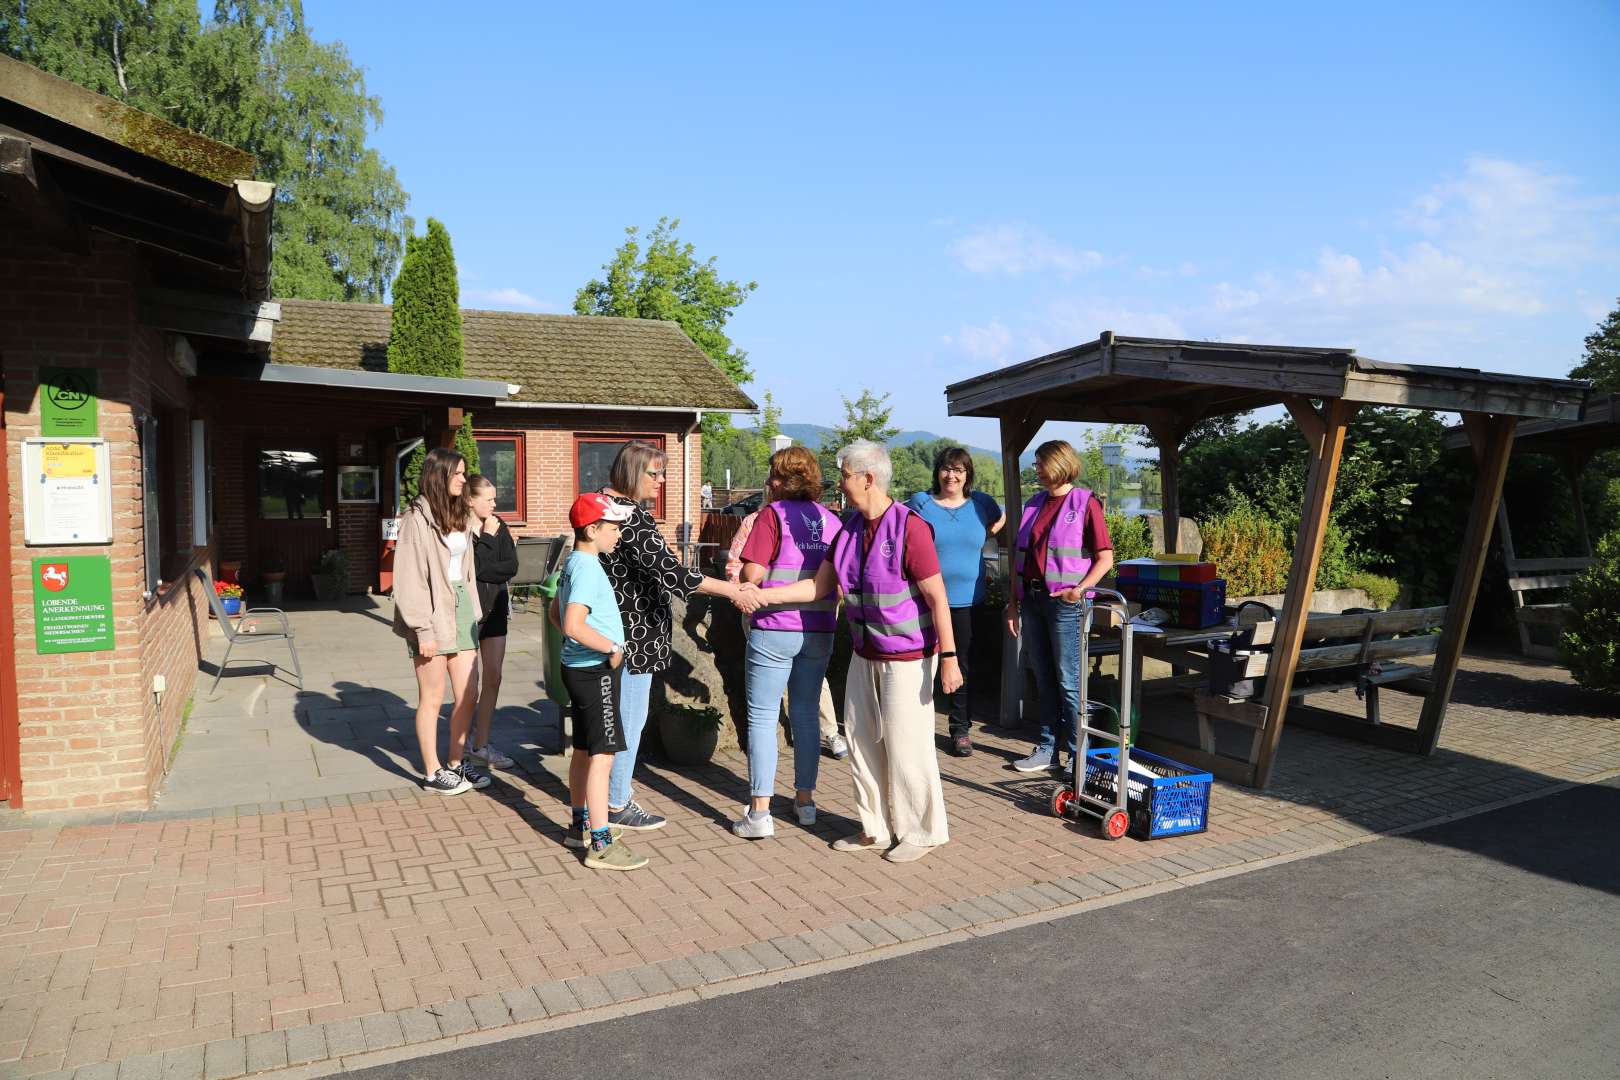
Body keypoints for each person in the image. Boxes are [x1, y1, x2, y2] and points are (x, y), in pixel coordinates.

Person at [740, 439, 960, 863]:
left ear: (868, 478)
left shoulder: (909, 527)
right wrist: (762, 595)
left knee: (906, 743)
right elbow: (820, 588)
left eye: (844, 475)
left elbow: (937, 596)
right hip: (866, 652)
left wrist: (948, 658)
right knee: (860, 741)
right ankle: (874, 827)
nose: (838, 483)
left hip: (909, 655)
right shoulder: (848, 528)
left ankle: (922, 831)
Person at [599, 440, 745, 831]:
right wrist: (731, 590)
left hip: (614, 632)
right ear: (632, 473)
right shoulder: (630, 517)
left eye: (662, 473)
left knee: (615, 718)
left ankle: (609, 794)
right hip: (635, 635)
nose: (661, 481)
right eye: (654, 473)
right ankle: (615, 803)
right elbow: (674, 575)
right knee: (629, 719)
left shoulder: (602, 507)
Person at [732, 447, 843, 839]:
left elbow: (754, 572)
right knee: (807, 714)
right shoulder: (832, 520)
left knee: (762, 718)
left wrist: (749, 571)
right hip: (819, 627)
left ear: (780, 480)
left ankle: (760, 813)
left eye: (772, 476)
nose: (768, 483)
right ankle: (805, 802)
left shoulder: (771, 515)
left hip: (774, 626)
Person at [1004, 439, 1115, 774]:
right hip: (1033, 601)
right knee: (1044, 677)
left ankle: (1078, 755)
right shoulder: (1034, 504)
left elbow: (1105, 558)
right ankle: (1047, 749)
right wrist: (1013, 604)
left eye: (1040, 464)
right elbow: (1018, 559)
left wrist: (1079, 590)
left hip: (1065, 606)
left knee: (1068, 680)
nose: (1036, 470)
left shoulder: (1085, 503)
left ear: (1059, 464)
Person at [553, 493, 646, 871]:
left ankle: (579, 825)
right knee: (603, 756)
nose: (619, 535)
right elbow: (573, 624)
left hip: (577, 668)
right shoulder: (589, 568)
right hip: (595, 671)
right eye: (613, 528)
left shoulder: (573, 562)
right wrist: (611, 648)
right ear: (591, 529)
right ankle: (601, 844)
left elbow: (553, 616)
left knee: (584, 750)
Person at [392, 447, 490, 795]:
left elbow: (467, 567)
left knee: (468, 693)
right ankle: (432, 772)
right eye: (458, 474)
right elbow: (408, 579)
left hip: (461, 606)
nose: (464, 479)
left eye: (464, 474)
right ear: (440, 475)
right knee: (432, 696)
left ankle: (455, 761)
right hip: (430, 611)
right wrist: (422, 628)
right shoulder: (415, 519)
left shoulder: (458, 512)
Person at [726, 488, 848, 762]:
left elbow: (743, 570)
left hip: (774, 619)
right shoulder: (831, 520)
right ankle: (805, 796)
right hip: (808, 621)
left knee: (765, 713)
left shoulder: (766, 518)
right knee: (803, 705)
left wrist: (747, 594)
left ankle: (761, 801)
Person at [905, 447, 1006, 757]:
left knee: (960, 665)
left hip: (967, 603)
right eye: (946, 469)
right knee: (919, 664)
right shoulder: (922, 503)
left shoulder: (981, 504)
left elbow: (1001, 520)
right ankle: (911, 727)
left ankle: (960, 729)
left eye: (959, 470)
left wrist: (982, 534)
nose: (952, 475)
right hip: (922, 600)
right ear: (937, 472)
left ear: (967, 475)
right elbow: (898, 529)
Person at [466, 475, 517, 770]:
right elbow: (475, 568)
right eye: (489, 499)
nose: (495, 504)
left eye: (495, 498)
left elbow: (510, 566)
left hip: (495, 610)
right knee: (469, 685)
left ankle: (481, 743)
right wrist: (485, 538)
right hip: (470, 615)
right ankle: (463, 742)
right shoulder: (461, 530)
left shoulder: (500, 526)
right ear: (471, 500)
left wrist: (488, 567)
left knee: (493, 677)